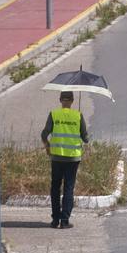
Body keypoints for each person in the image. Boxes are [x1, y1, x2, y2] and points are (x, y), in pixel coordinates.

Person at [41, 91, 89, 229]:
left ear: (60, 100)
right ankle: (65, 221)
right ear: (73, 101)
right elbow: (85, 138)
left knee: (55, 187)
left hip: (56, 157)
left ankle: (55, 220)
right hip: (73, 158)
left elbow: (44, 134)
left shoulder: (54, 114)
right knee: (69, 187)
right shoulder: (78, 115)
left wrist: (47, 146)